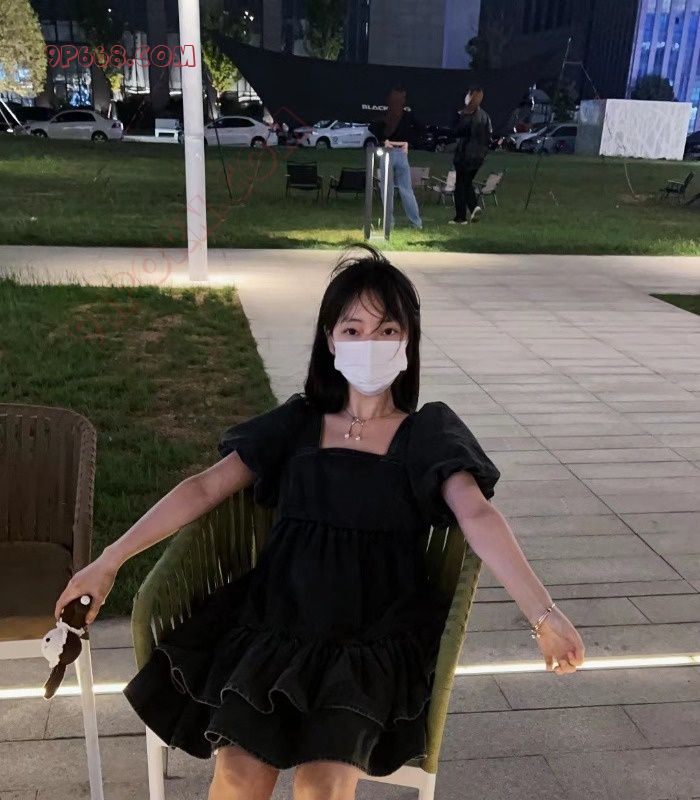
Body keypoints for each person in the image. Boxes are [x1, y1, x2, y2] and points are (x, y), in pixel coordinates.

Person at [53, 243, 585, 800]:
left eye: (387, 330)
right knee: (238, 776)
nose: (369, 344)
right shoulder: (299, 423)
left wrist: (543, 614)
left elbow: (477, 513)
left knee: (322, 786)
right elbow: (204, 487)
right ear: (330, 340)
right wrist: (109, 561)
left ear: (408, 343)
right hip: (275, 623)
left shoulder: (427, 434)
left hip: (371, 637)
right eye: (353, 330)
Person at [368, 87, 423, 231]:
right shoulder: (405, 116)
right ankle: (416, 223)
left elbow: (372, 127)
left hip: (389, 151)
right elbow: (420, 129)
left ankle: (389, 222)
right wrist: (408, 141)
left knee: (388, 190)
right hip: (401, 152)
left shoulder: (388, 115)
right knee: (406, 190)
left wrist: (383, 138)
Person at [450, 85, 492, 225]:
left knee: (460, 185)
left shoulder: (467, 115)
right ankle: (474, 208)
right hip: (479, 156)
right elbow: (488, 136)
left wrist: (458, 117)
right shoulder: (485, 116)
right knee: (466, 183)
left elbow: (457, 131)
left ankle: (461, 217)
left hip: (465, 155)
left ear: (470, 96)